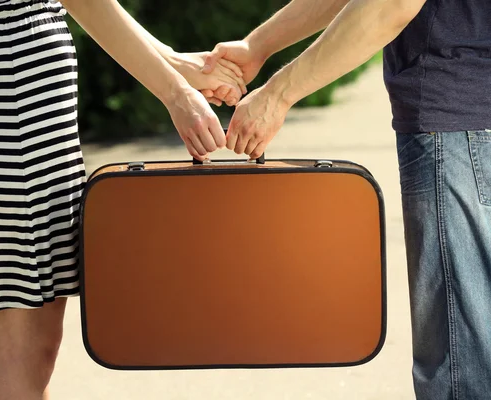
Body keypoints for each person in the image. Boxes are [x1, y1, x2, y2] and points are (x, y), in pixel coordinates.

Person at [0, 0, 246, 398]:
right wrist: (175, 93)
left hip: (3, 91)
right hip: (20, 104)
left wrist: (175, 65)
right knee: (24, 348)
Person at [201, 0, 491, 399]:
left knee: (463, 367)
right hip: (472, 122)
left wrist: (278, 94)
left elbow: (392, 4)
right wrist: (258, 46)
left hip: (463, 124)